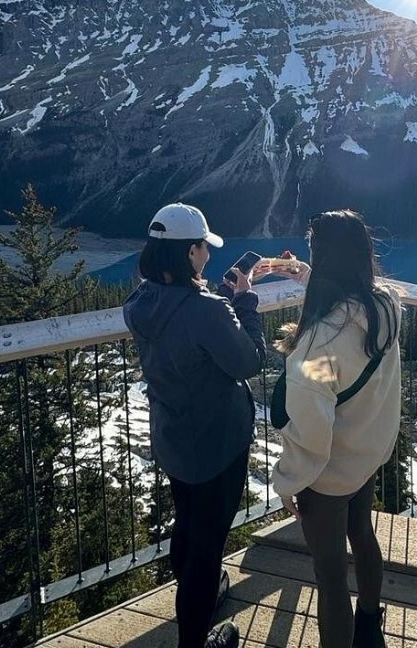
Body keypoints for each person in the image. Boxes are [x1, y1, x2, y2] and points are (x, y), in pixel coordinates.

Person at [123, 202, 265, 648]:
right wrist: (246, 303)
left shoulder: (140, 302)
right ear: (189, 253)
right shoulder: (205, 309)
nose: (207, 253)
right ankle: (195, 639)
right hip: (217, 443)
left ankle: (198, 597)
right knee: (207, 545)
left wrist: (218, 302)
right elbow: (249, 361)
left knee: (186, 526)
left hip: (174, 437)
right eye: (203, 246)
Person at [265, 210, 402, 648]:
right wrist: (309, 278)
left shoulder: (316, 346)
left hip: (328, 474)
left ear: (324, 259)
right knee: (362, 534)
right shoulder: (385, 306)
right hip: (365, 453)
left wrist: (288, 482)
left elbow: (309, 435)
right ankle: (369, 627)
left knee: (329, 574)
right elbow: (349, 321)